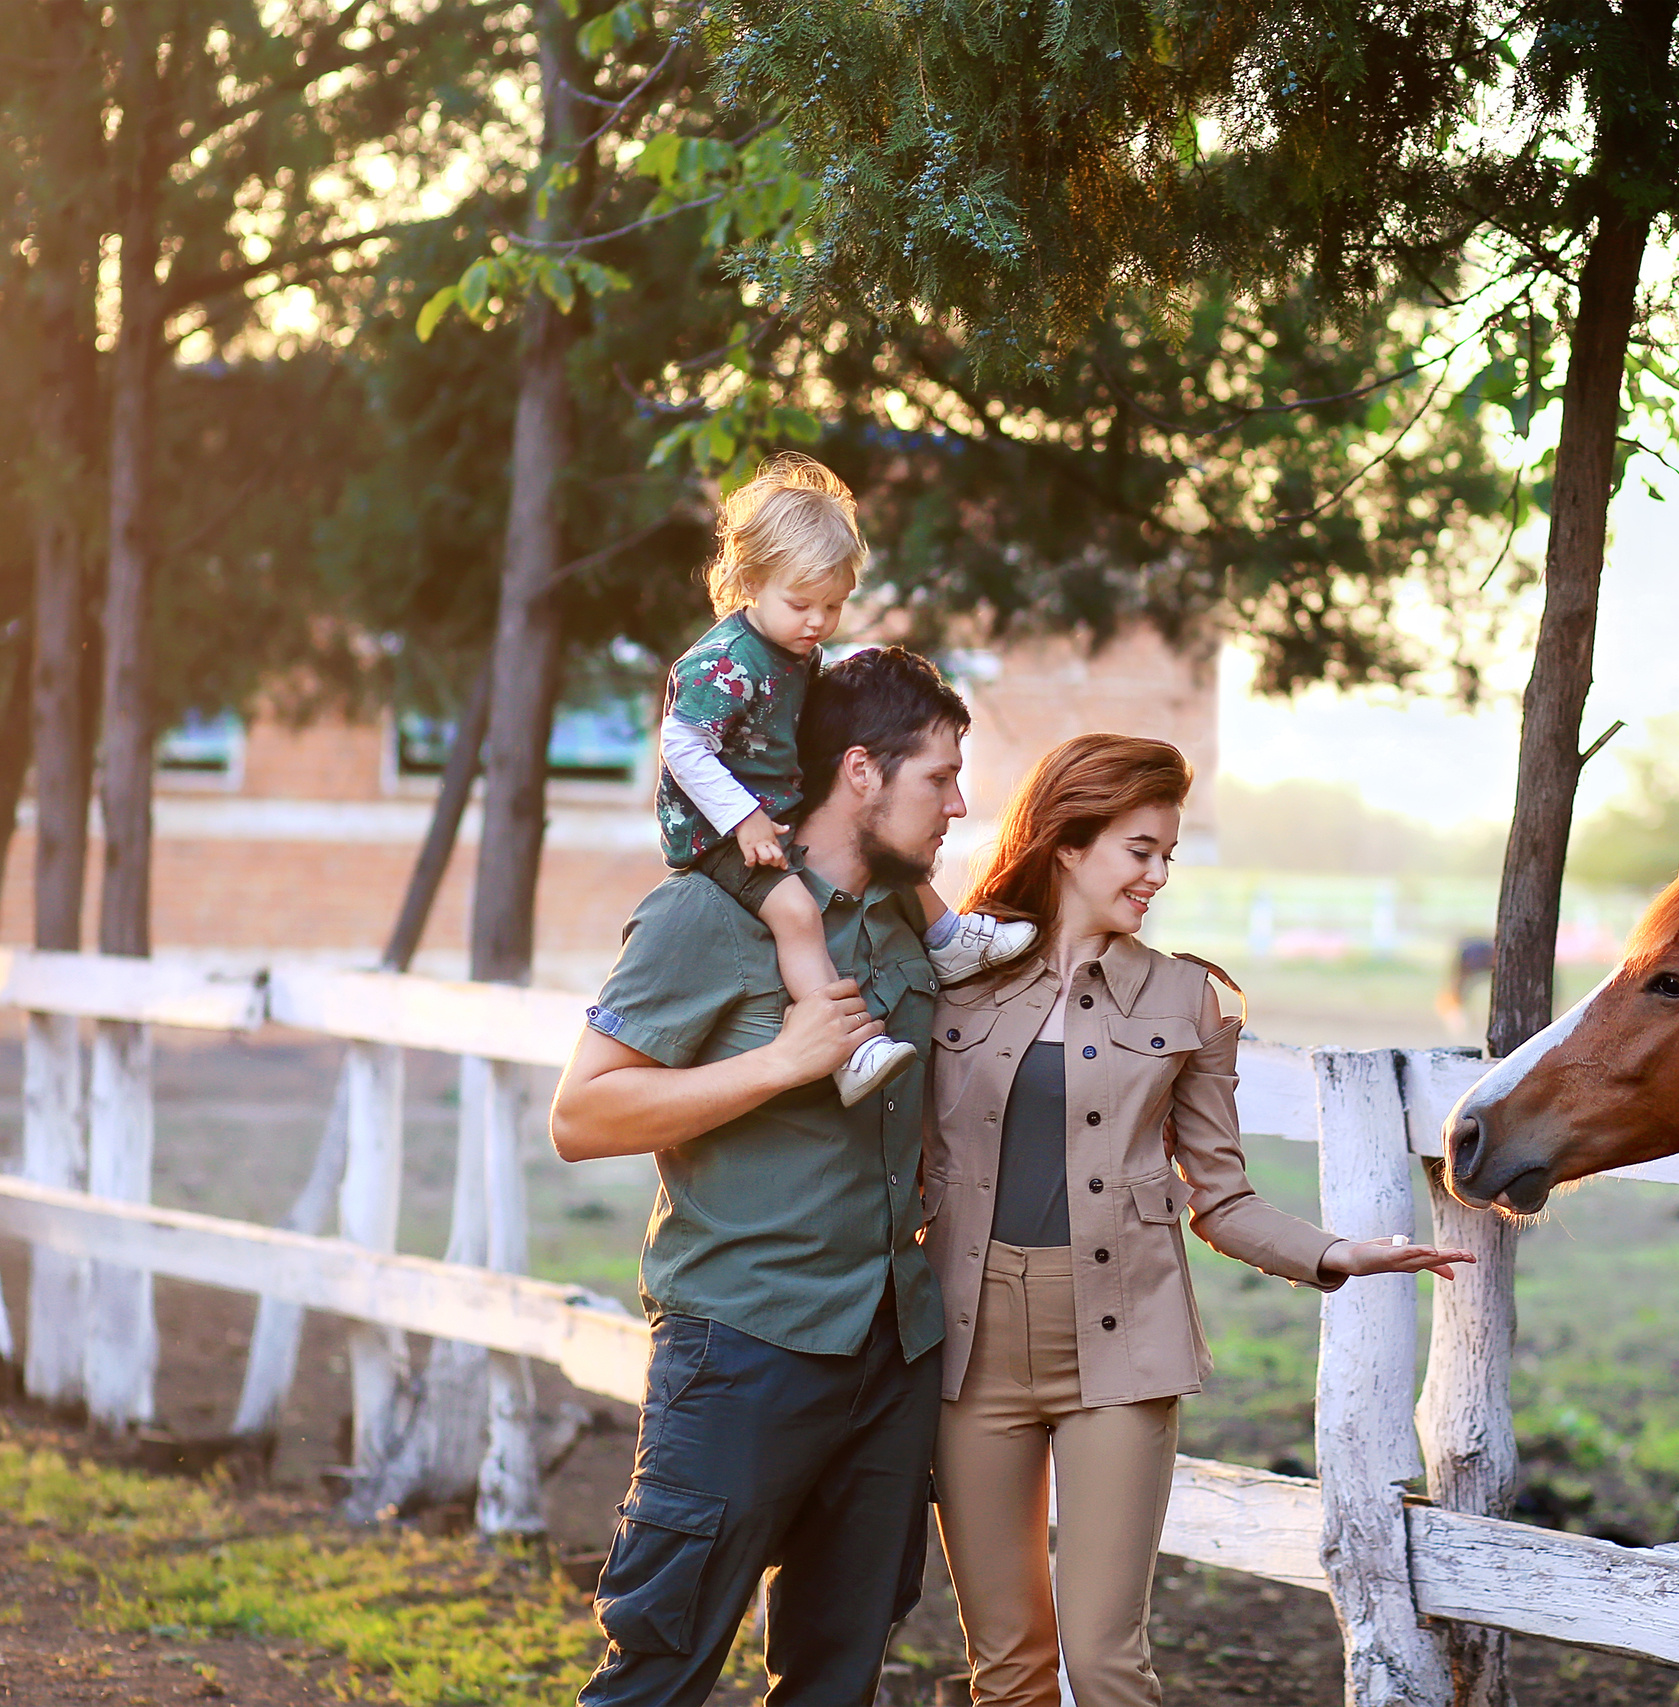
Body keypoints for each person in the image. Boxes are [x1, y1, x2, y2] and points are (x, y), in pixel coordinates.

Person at [924, 733, 1472, 1707]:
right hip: (968, 1347)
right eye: (1141, 850)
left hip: (1122, 1347)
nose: (1159, 875)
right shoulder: (954, 977)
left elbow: (1221, 1199)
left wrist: (1334, 1251)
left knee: (1101, 1660)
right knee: (1006, 1667)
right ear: (1067, 843)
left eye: (1168, 854)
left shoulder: (1188, 997)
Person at [555, 646, 973, 1707]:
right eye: (939, 778)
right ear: (862, 772)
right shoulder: (704, 912)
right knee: (661, 1666)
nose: (960, 805)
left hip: (890, 1351)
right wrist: (780, 1064)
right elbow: (580, 1114)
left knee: (839, 1676)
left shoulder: (905, 926)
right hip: (740, 1349)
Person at [656, 453, 1030, 1106]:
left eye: (833, 606)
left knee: (886, 835)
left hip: (773, 808)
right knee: (797, 911)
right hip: (719, 832)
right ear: (751, 579)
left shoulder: (797, 649)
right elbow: (682, 747)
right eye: (802, 603)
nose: (817, 623)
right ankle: (848, 1050)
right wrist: (742, 818)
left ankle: (948, 938)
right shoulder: (722, 665)